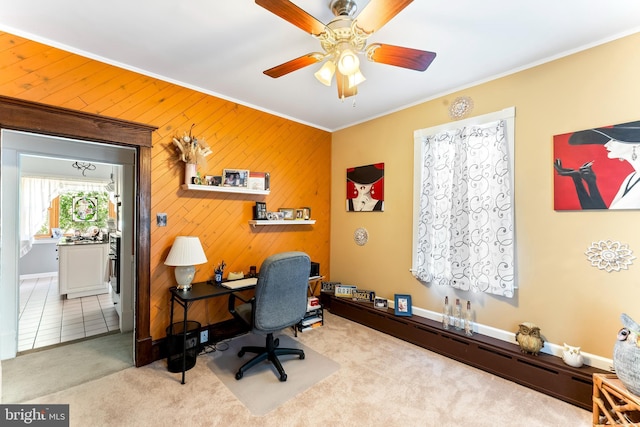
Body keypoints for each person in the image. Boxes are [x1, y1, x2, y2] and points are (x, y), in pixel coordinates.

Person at [556, 121, 640, 209]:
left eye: (614, 139)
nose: (606, 144)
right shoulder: (631, 178)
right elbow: (605, 215)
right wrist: (583, 181)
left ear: (636, 144)